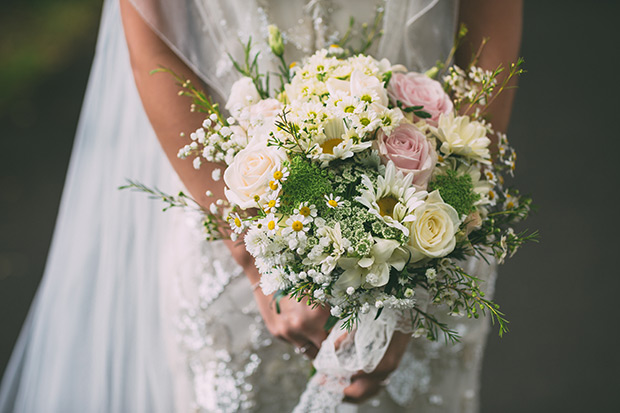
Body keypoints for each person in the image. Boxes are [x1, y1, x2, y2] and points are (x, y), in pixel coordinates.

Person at [0, 0, 521, 411]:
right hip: (231, 220)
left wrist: (422, 268)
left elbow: (490, 30)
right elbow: (152, 48)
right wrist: (258, 264)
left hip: (426, 223)